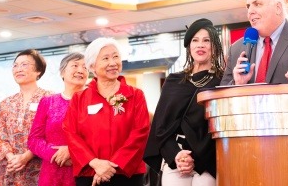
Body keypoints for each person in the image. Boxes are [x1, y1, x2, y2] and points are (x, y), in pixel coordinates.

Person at [144, 18, 225, 186]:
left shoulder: (223, 80)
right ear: (189, 46)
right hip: (177, 157)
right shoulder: (174, 81)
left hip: (209, 159)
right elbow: (160, 127)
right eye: (195, 40)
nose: (200, 45)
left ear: (215, 46)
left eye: (206, 40)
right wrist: (177, 155)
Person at [63, 37, 150, 186]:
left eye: (116, 57)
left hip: (126, 173)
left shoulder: (135, 95)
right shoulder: (79, 98)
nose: (112, 63)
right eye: (105, 58)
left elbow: (140, 133)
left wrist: (112, 166)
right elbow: (71, 133)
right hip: (90, 173)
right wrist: (95, 163)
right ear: (92, 66)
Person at [0, 49, 53, 186]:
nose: (18, 69)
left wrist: (26, 157)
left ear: (38, 71)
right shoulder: (6, 102)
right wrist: (11, 157)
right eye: (15, 65)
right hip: (10, 168)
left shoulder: (50, 99)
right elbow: (1, 137)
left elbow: (51, 135)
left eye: (24, 65)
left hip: (38, 167)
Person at [28, 52, 88, 186]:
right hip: (52, 173)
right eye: (75, 65)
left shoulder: (94, 103)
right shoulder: (48, 102)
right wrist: (54, 155)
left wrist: (72, 151)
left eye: (85, 67)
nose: (80, 70)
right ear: (62, 72)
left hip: (84, 170)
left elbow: (99, 136)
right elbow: (34, 140)